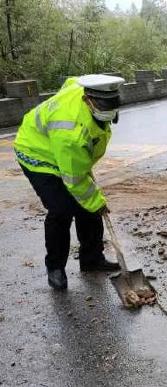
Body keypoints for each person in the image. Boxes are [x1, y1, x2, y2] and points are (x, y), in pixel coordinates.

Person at [14, 74, 125, 290]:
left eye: (113, 103)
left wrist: (92, 202)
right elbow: (75, 180)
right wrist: (98, 203)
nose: (109, 109)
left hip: (65, 153)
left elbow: (71, 81)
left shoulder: (80, 88)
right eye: (104, 105)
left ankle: (92, 259)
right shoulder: (71, 133)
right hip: (38, 154)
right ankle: (55, 267)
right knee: (62, 209)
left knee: (87, 207)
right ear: (88, 100)